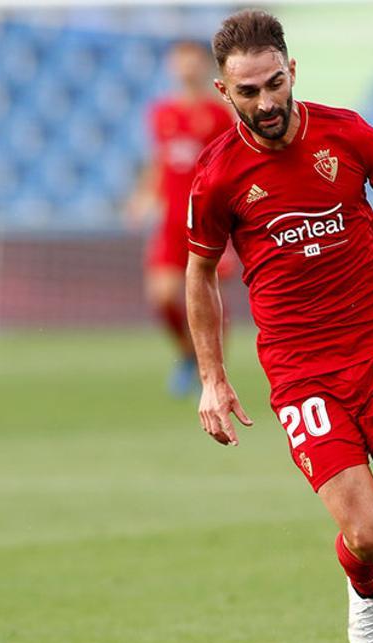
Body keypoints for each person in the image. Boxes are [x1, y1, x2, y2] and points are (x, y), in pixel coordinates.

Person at [185, 10, 373, 643]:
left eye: (274, 84)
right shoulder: (218, 175)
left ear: (291, 71)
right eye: (249, 92)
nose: (267, 102)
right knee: (367, 532)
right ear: (224, 92)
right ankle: (363, 582)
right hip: (302, 371)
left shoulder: (345, 133)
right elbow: (198, 276)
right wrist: (212, 377)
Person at [127, 41, 235, 397]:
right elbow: (159, 161)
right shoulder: (161, 113)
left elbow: (230, 165)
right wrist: (143, 197)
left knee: (206, 295)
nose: (185, 65)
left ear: (207, 64)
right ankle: (189, 354)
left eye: (192, 58)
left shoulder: (220, 114)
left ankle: (213, 367)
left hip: (207, 219)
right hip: (171, 221)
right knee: (161, 296)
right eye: (179, 58)